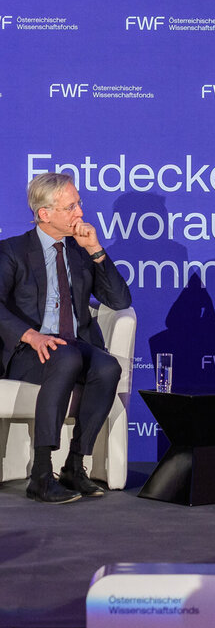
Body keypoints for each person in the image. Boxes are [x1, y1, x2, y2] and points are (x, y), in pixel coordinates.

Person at [0, 173, 132, 503]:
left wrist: (97, 251)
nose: (80, 213)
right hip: (31, 351)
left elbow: (119, 301)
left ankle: (75, 465)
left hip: (75, 344)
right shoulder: (13, 251)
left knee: (108, 368)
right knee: (68, 357)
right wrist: (31, 336)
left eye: (79, 204)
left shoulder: (79, 251)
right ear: (45, 213)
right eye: (71, 206)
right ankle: (41, 474)